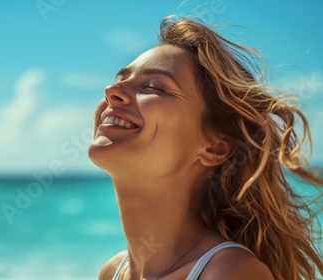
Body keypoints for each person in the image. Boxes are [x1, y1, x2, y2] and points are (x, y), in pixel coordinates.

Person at [88, 16, 323, 280]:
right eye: (119, 79)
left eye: (153, 86)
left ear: (215, 148)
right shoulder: (112, 273)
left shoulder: (230, 272)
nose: (111, 90)